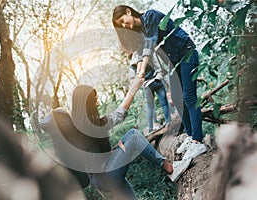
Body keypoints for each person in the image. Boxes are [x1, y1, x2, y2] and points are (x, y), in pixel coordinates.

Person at [40, 76, 173, 199]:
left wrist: (114, 151)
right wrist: (133, 89)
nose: (97, 104)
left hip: (103, 177)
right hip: (107, 175)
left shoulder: (78, 128)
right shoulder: (90, 126)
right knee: (133, 135)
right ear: (87, 104)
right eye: (95, 100)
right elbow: (119, 114)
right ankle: (166, 165)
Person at [112, 5, 207, 160]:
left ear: (128, 12)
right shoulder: (141, 31)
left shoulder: (150, 17)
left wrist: (142, 69)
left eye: (122, 21)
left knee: (189, 97)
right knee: (177, 100)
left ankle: (198, 141)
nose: (124, 25)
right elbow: (143, 51)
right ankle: (191, 136)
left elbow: (150, 43)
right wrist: (139, 70)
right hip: (174, 63)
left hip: (187, 53)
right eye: (120, 25)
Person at [129, 51, 171, 132]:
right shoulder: (149, 54)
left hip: (147, 85)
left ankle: (151, 127)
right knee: (164, 103)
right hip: (157, 80)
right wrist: (160, 77)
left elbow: (132, 79)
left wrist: (142, 83)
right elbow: (158, 66)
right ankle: (168, 121)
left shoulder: (132, 64)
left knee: (150, 107)